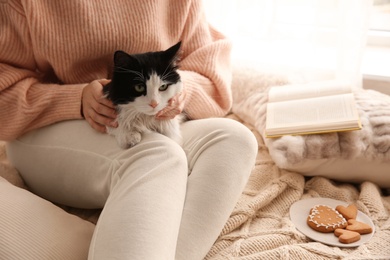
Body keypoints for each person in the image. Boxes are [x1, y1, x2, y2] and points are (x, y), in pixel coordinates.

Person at [0, 0, 258, 259]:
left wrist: (179, 92)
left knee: (235, 139)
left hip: (144, 116)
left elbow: (213, 77)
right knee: (156, 153)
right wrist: (75, 99)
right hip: (47, 125)